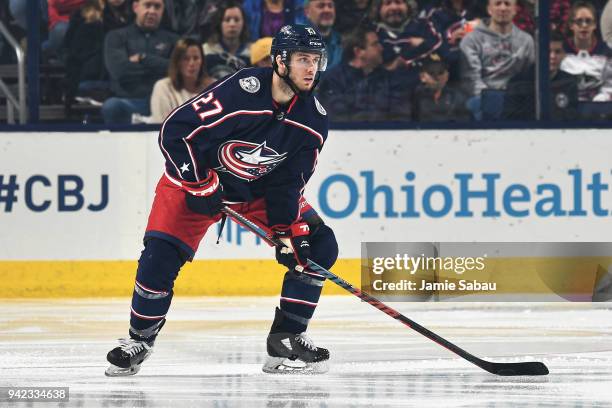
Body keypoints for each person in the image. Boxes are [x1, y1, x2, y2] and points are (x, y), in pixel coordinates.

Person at [105, 24, 338, 376]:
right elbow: (176, 131)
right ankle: (139, 339)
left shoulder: (313, 121)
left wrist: (285, 229)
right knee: (159, 256)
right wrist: (199, 183)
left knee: (318, 245)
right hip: (195, 179)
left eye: (316, 60)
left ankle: (285, 339)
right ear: (279, 60)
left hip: (254, 191)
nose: (311, 68)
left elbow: (288, 182)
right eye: (303, 59)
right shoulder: (241, 93)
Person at [102, 0, 179, 124]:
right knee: (111, 106)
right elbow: (120, 71)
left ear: (163, 10)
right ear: (135, 7)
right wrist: (160, 68)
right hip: (128, 101)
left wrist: (143, 58)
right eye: (147, 5)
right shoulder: (116, 37)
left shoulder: (174, 40)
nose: (152, 11)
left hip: (163, 101)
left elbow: (177, 70)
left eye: (157, 7)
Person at [318, 25, 412, 121]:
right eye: (375, 44)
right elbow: (335, 117)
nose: (381, 48)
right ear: (358, 52)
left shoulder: (391, 79)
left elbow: (400, 116)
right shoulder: (333, 80)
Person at [459, 0, 534, 120]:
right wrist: (492, 99)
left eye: (507, 4)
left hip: (516, 98)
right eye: (498, 3)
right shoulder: (471, 40)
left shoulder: (526, 40)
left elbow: (529, 75)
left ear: (515, 10)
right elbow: (471, 80)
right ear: (489, 9)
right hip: (482, 98)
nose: (503, 8)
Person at [502, 31, 578, 120]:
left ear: (564, 55)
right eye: (548, 51)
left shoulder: (569, 82)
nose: (552, 56)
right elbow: (510, 121)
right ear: (537, 53)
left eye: (558, 52)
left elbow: (571, 118)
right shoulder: (518, 82)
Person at [372, 0, 442, 88]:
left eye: (398, 2)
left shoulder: (423, 24)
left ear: (408, 6)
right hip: (389, 92)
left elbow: (438, 44)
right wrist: (422, 45)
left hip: (426, 89)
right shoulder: (373, 35)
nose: (393, 7)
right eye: (387, 3)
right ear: (379, 9)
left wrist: (402, 59)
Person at [150, 38, 215, 123]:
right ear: (177, 61)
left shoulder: (214, 86)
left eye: (196, 58)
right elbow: (161, 125)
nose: (191, 63)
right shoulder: (163, 87)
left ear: (202, 61)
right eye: (186, 58)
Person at [561, 1, 611, 101]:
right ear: (571, 25)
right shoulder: (561, 50)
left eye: (588, 21)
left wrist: (602, 98)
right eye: (579, 21)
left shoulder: (607, 52)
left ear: (595, 25)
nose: (584, 25)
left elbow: (610, 85)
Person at [203, 0, 252, 80]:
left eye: (236, 20)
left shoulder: (251, 53)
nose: (232, 24)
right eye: (227, 20)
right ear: (220, 23)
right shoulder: (207, 51)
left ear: (244, 23)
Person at [412, 54, 470, 121]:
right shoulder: (415, 97)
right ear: (422, 77)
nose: (436, 77)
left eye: (440, 72)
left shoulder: (458, 97)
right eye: (431, 72)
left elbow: (464, 126)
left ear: (447, 76)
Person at [303, 0, 342, 69]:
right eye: (321, 6)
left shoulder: (342, 42)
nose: (327, 10)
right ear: (307, 12)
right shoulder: (296, 42)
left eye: (330, 6)